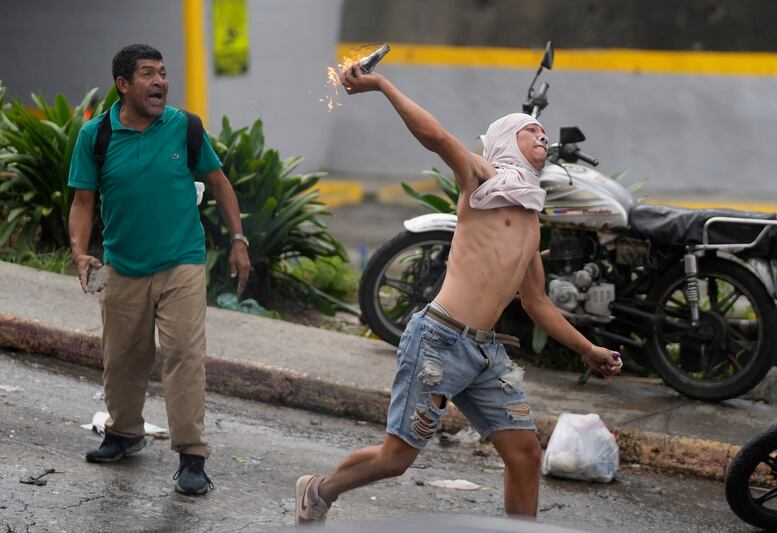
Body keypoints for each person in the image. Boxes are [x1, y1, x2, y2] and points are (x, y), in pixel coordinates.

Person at [295, 67, 622, 523]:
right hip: (439, 340)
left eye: (545, 133)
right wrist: (382, 85)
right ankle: (319, 489)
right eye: (533, 130)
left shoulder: (530, 218)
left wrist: (588, 350)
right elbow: (436, 136)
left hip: (485, 354)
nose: (543, 136)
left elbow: (537, 303)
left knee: (525, 454)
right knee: (396, 460)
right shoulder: (483, 179)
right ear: (508, 141)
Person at [67, 44, 250, 495]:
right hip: (123, 265)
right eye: (148, 74)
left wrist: (239, 239)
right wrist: (79, 251)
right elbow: (82, 202)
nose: (161, 82)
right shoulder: (96, 135)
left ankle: (191, 456)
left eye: (164, 74)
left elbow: (219, 182)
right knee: (123, 357)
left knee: (185, 356)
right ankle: (125, 433)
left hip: (181, 263)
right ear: (123, 85)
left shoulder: (185, 127)